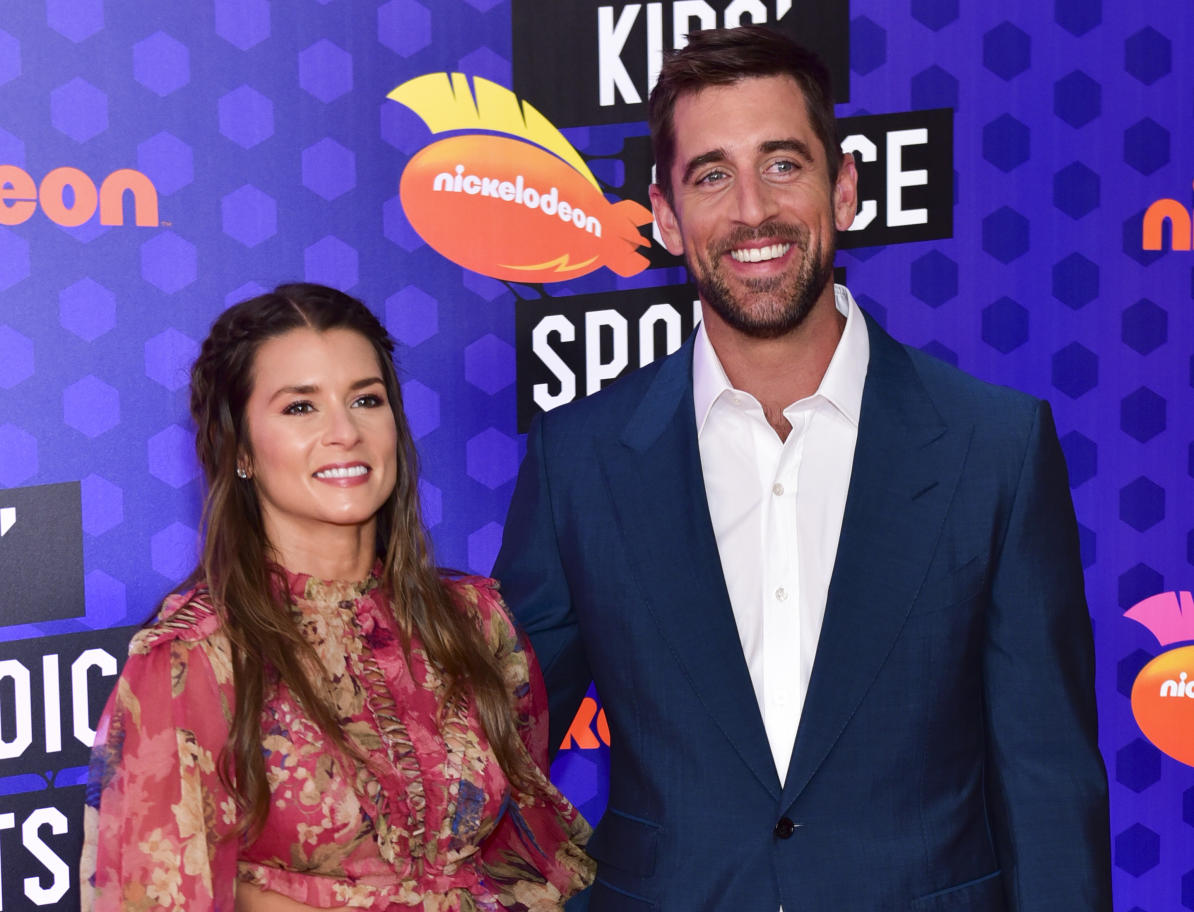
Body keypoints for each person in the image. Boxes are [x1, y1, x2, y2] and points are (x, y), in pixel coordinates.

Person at [493, 26, 1110, 911]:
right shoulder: (580, 461)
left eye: (782, 164)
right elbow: (491, 754)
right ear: (665, 218)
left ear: (846, 188)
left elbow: (1049, 784)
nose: (752, 210)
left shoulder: (996, 446)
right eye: (712, 175)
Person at [80, 283, 593, 911]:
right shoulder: (195, 656)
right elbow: (153, 896)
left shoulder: (475, 620)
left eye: (366, 400)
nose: (344, 432)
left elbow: (524, 854)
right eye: (301, 408)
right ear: (240, 448)